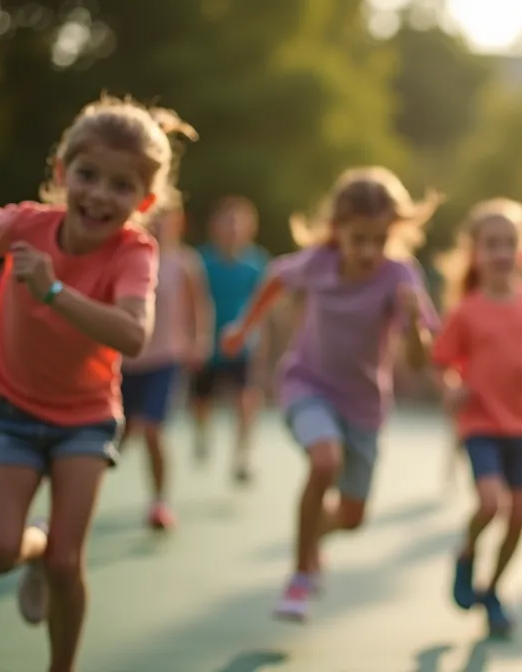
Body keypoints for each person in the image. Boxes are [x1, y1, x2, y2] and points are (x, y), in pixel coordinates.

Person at [0, 95, 195, 672]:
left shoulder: (136, 253)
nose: (100, 195)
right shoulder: (28, 225)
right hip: (12, 407)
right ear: (62, 173)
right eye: (88, 175)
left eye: (122, 185)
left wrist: (54, 291)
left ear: (145, 200)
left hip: (85, 418)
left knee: (67, 560)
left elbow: (133, 335)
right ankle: (32, 545)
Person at [220, 166, 439, 622]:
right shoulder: (316, 262)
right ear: (337, 228)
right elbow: (277, 279)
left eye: (379, 239)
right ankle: (300, 576)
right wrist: (244, 327)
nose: (368, 251)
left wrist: (416, 323)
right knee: (325, 461)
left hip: (364, 405)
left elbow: (420, 363)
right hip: (307, 384)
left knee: (354, 517)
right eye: (358, 238)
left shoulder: (400, 276)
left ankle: (312, 535)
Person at [433, 198, 522, 638]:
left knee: (517, 515)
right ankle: (466, 552)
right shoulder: (467, 309)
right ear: (475, 252)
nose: (500, 252)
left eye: (509, 243)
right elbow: (442, 362)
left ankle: (493, 590)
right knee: (491, 502)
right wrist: (452, 389)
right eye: (491, 243)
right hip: (480, 425)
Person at [119, 201, 213, 530]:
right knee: (120, 433)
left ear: (178, 223)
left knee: (152, 429)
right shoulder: (126, 254)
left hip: (165, 359)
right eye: (152, 219)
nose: (158, 226)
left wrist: (199, 340)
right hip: (125, 361)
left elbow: (199, 304)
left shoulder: (184, 262)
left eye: (165, 220)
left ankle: (159, 502)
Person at [191, 195, 268, 484]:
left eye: (239, 223)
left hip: (242, 345)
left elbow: (263, 308)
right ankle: (202, 432)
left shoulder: (257, 264)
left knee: (246, 399)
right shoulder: (200, 262)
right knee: (201, 401)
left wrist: (261, 346)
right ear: (215, 227)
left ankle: (243, 455)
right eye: (227, 222)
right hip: (207, 345)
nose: (233, 229)